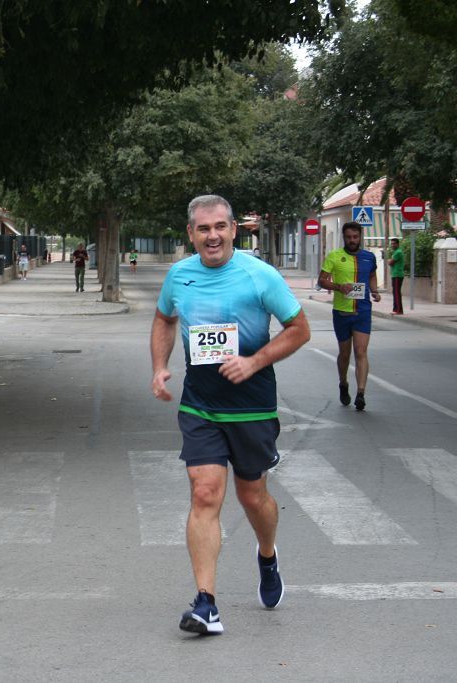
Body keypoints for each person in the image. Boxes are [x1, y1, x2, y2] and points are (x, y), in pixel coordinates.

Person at [151, 194, 310, 636]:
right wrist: (160, 366)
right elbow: (164, 319)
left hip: (252, 407)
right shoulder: (180, 276)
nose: (212, 235)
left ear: (233, 229)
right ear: (191, 233)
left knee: (253, 497)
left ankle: (267, 552)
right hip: (200, 406)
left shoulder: (260, 276)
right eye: (203, 229)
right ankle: (206, 603)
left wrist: (254, 361)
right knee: (204, 494)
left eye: (220, 226)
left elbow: (300, 329)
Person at [318, 221, 381, 411]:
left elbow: (371, 276)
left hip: (362, 311)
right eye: (348, 237)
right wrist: (338, 287)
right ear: (344, 238)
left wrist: (375, 291)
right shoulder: (334, 257)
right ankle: (343, 383)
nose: (352, 240)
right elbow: (322, 280)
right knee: (345, 354)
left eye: (355, 237)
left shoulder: (369, 257)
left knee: (360, 351)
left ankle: (361, 393)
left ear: (360, 237)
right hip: (342, 312)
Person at [387, 237, 405, 315]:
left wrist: (389, 261)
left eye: (394, 243)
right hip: (395, 275)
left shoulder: (398, 252)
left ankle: (398, 310)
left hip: (397, 274)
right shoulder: (395, 252)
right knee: (395, 292)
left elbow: (390, 262)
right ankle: (396, 309)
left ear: (398, 244)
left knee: (396, 292)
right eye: (391, 244)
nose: (392, 245)